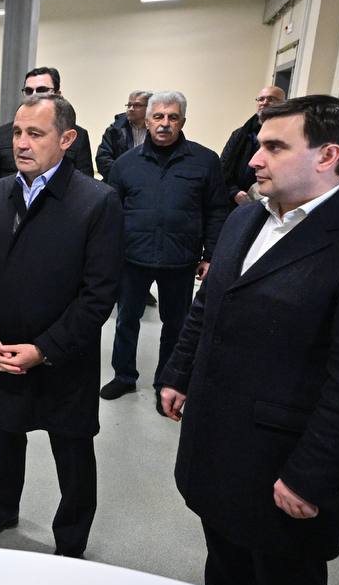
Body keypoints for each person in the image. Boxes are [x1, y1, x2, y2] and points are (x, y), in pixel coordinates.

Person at [156, 95, 339, 585]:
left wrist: (312, 475)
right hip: (217, 446)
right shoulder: (246, 219)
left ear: (328, 156)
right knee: (225, 578)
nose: (254, 159)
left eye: (274, 147)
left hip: (283, 466)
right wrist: (179, 372)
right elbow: (209, 303)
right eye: (259, 145)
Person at [0, 93, 124, 558]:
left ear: (67, 139)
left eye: (35, 133)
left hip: (62, 357)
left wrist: (44, 349)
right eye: (17, 132)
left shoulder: (97, 202)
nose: (21, 143)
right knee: (3, 435)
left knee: (73, 452)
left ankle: (71, 541)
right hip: (1, 348)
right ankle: (0, 509)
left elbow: (98, 295)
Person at [102, 91, 228, 401]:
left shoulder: (205, 161)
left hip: (181, 260)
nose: (165, 123)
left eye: (172, 117)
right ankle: (124, 376)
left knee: (176, 325)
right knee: (126, 321)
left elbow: (216, 211)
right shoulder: (125, 165)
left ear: (183, 121)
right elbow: (110, 214)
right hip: (132, 258)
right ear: (147, 121)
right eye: (158, 116)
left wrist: (211, 256)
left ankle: (166, 383)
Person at [0, 67, 93, 189]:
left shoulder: (77, 136)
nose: (34, 95)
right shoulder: (2, 134)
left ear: (58, 94)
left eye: (42, 90)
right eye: (28, 91)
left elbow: (85, 184)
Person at [221, 85, 286, 207]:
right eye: (261, 99)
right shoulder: (240, 134)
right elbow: (223, 166)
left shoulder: (288, 136)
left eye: (271, 99)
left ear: (283, 104)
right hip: (234, 201)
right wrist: (234, 192)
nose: (264, 102)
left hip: (272, 201)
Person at [94, 90, 151, 181]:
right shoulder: (115, 130)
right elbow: (103, 159)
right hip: (118, 183)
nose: (131, 109)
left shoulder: (157, 131)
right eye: (129, 105)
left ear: (150, 108)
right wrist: (124, 177)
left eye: (137, 105)